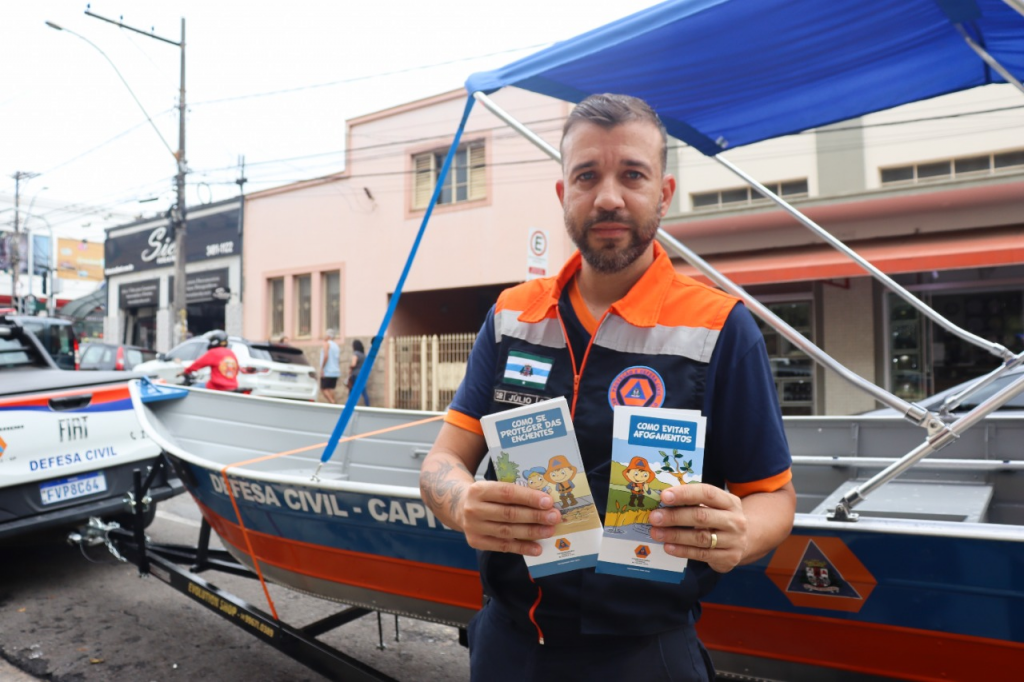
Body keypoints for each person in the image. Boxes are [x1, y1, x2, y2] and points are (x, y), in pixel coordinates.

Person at [419, 94, 795, 681]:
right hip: (507, 647)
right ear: (563, 192)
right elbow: (443, 460)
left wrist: (742, 535)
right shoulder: (511, 315)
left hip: (646, 656)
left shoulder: (721, 328)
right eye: (587, 175)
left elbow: (774, 497)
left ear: (663, 194)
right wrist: (461, 501)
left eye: (633, 175)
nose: (609, 197)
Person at [319, 328, 342, 404]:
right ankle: (333, 403)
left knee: (323, 388)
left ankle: (332, 402)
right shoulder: (336, 346)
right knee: (331, 388)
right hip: (335, 370)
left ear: (328, 336)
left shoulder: (326, 344)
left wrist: (322, 368)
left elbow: (326, 356)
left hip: (328, 370)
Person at [347, 339, 370, 406]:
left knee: (352, 390)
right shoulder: (363, 355)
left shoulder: (356, 354)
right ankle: (367, 404)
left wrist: (350, 368)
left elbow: (353, 364)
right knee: (363, 390)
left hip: (356, 374)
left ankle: (349, 405)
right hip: (362, 374)